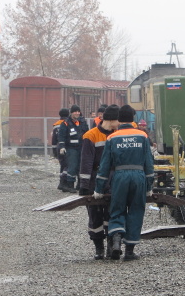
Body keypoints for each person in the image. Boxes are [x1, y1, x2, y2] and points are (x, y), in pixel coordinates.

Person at [94, 105, 154, 260]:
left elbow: (105, 165)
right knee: (136, 210)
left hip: (120, 176)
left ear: (119, 119)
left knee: (117, 209)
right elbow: (149, 162)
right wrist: (149, 185)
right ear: (133, 119)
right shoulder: (142, 136)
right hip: (138, 176)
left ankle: (115, 241)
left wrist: (99, 188)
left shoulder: (112, 137)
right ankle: (129, 251)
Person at [79, 105, 119, 259]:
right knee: (95, 216)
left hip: (113, 181)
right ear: (112, 120)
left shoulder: (117, 134)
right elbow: (86, 162)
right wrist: (84, 185)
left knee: (111, 214)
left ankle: (110, 246)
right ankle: (98, 248)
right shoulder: (91, 136)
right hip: (94, 182)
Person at [57, 104, 88, 192]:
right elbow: (61, 136)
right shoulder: (66, 123)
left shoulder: (82, 122)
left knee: (80, 166)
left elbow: (87, 133)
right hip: (71, 148)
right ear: (71, 113)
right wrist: (62, 147)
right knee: (72, 166)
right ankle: (70, 185)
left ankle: (79, 185)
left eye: (78, 111)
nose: (77, 113)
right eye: (75, 112)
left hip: (81, 147)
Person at [51, 108, 70, 191]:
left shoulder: (56, 125)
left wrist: (54, 151)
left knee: (62, 165)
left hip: (59, 147)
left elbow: (54, 140)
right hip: (67, 146)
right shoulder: (68, 123)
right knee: (67, 165)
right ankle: (63, 183)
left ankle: (62, 182)